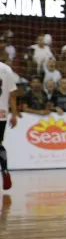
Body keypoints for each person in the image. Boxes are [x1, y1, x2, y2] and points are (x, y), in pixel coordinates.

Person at [0, 60, 19, 190]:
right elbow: (12, 95)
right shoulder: (6, 69)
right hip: (2, 113)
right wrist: (14, 114)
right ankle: (5, 170)